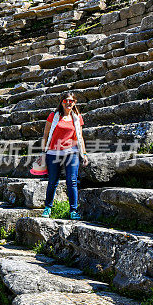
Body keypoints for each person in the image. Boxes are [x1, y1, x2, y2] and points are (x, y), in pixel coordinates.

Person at [40, 92, 89, 220]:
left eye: (71, 101)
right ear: (62, 102)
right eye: (66, 100)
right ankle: (48, 208)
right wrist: (43, 153)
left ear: (74, 103)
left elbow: (80, 137)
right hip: (53, 152)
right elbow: (45, 135)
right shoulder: (53, 116)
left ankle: (73, 210)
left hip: (71, 152)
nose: (68, 103)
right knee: (52, 181)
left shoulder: (77, 117)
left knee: (72, 181)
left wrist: (83, 154)